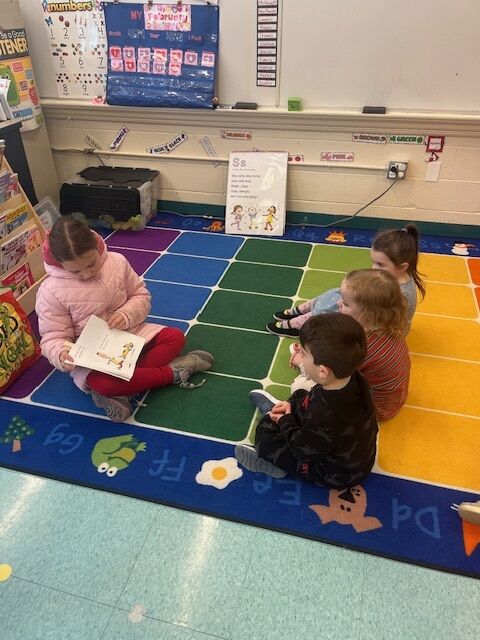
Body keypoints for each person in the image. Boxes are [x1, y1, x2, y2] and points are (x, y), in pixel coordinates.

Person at [35, 216, 214, 422]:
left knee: (174, 337)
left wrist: (126, 315)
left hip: (132, 335)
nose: (86, 274)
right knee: (103, 383)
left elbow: (141, 295)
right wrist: (61, 354)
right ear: (60, 264)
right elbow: (52, 337)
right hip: (95, 357)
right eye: (75, 271)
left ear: (96, 246)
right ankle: (174, 371)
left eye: (92, 264)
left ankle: (127, 387)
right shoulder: (51, 291)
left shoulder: (117, 261)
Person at [235, 313, 378, 487]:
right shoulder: (355, 378)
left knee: (265, 437)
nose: (300, 357)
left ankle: (273, 464)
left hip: (334, 473)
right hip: (351, 455)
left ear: (323, 371)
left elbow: (302, 451)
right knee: (300, 395)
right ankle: (280, 412)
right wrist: (291, 408)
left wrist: (286, 421)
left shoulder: (325, 415)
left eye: (303, 353)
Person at [290, 269, 410, 421]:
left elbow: (335, 376)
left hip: (372, 409)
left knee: (299, 387)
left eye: (346, 304)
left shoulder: (361, 344)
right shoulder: (388, 328)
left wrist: (304, 362)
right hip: (393, 400)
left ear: (369, 314)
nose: (338, 304)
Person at [267, 224, 425, 337]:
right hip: (370, 314)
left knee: (332, 306)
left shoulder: (400, 292)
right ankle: (301, 311)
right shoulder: (388, 277)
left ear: (403, 267)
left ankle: (302, 323)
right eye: (373, 261)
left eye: (380, 264)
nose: (373, 267)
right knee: (336, 293)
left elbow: (380, 323)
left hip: (379, 329)